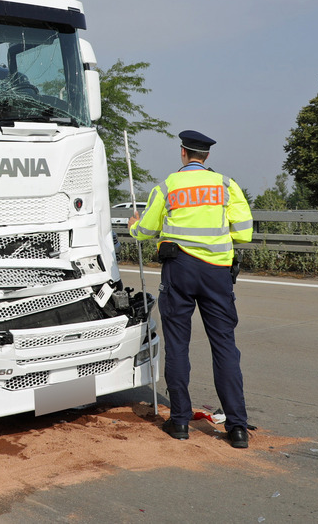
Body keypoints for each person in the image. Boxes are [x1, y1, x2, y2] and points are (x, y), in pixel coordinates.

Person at [128, 130, 254, 448]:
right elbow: (244, 234)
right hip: (217, 273)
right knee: (225, 347)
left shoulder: (168, 185)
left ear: (183, 153)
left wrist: (134, 224)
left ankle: (180, 421)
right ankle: (237, 428)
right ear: (206, 157)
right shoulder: (227, 185)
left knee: (178, 346)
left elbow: (145, 232)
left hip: (179, 271)